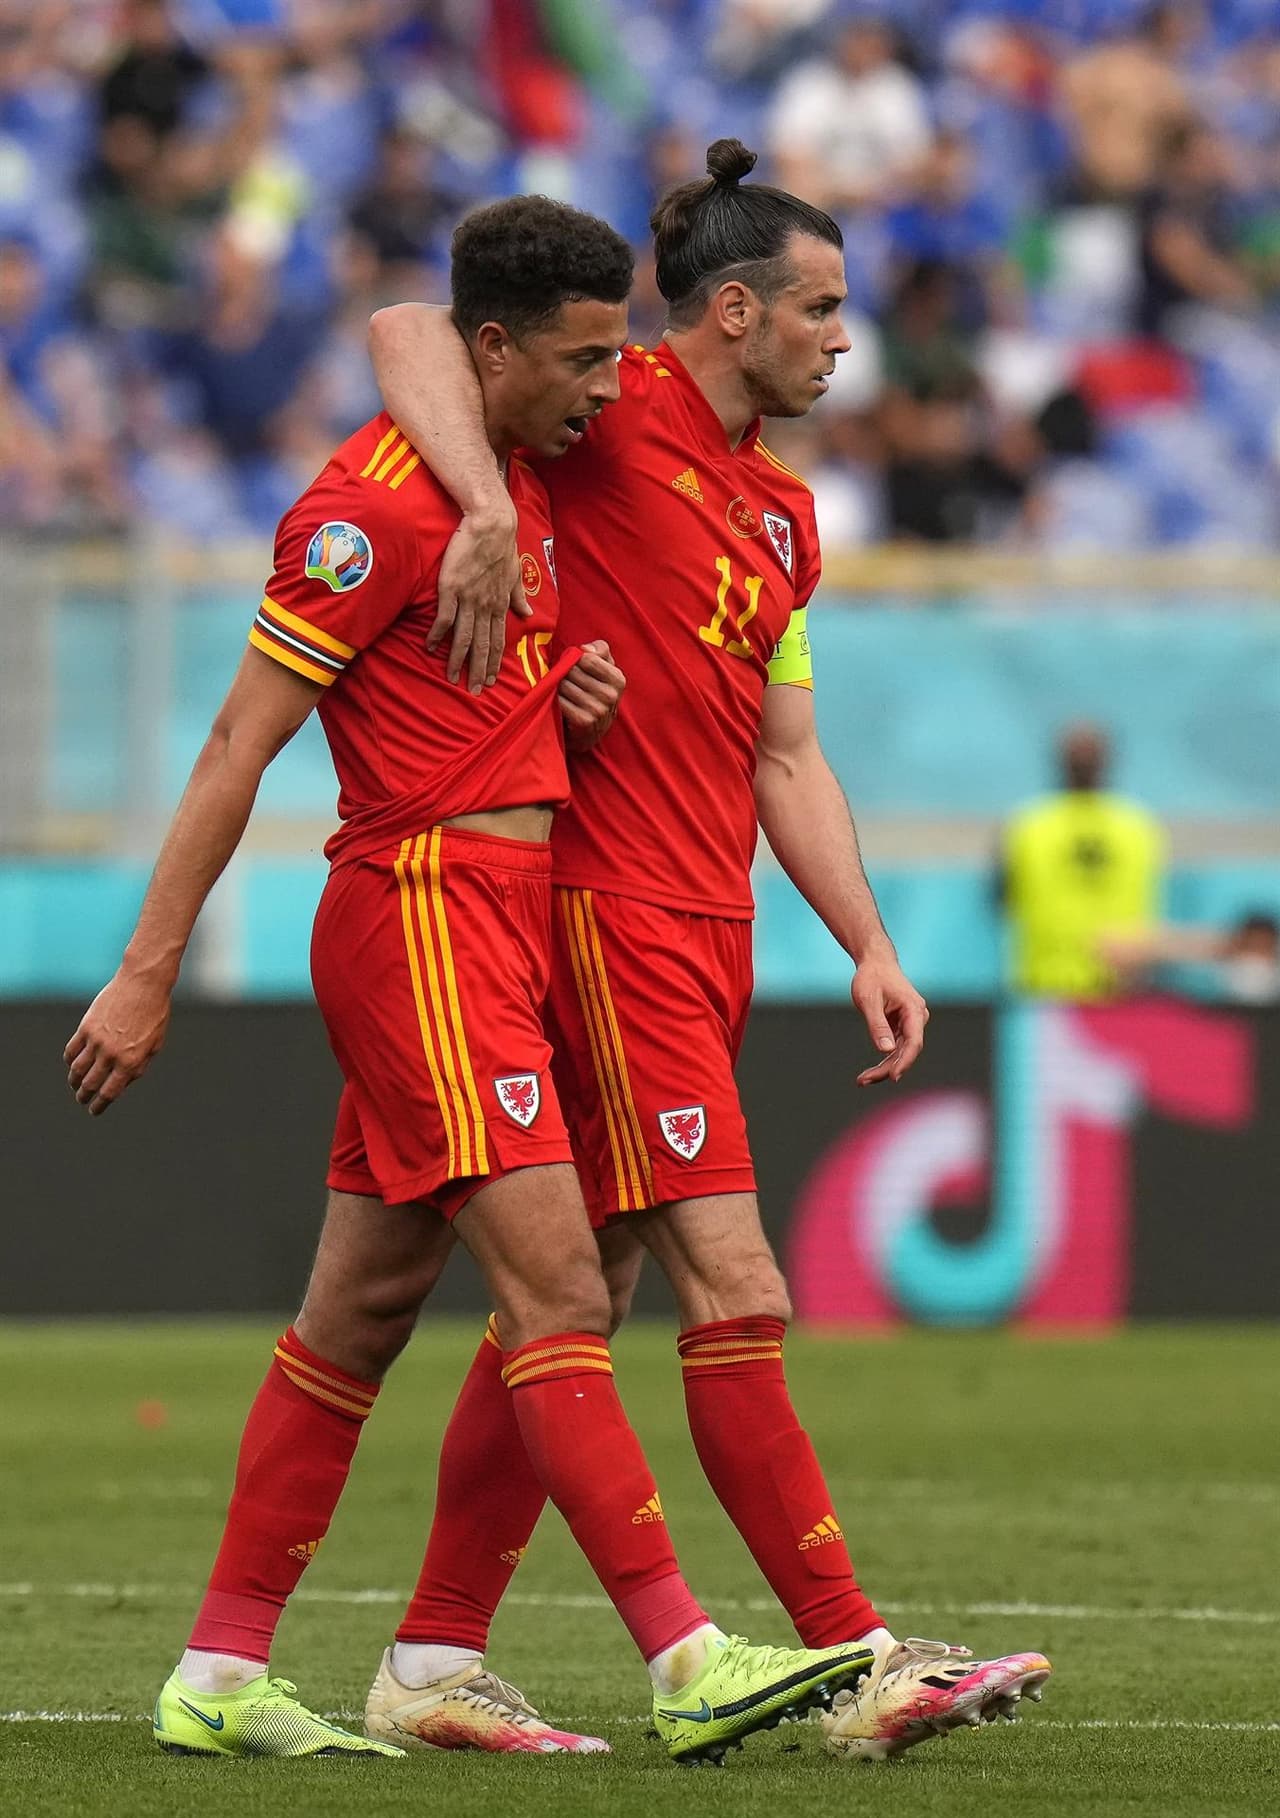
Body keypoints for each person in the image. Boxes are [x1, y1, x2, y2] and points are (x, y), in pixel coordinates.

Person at [64, 192, 877, 1767]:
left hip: (500, 914)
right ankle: (684, 1652)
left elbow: (487, 669)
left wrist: (558, 691)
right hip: (425, 908)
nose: (604, 389)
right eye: (580, 361)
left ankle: (222, 1672)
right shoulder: (376, 510)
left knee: (359, 1313)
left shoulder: (520, 481)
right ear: (492, 349)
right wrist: (147, 968)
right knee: (567, 1289)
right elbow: (240, 739)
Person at [366, 139, 1051, 1764]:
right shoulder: (614, 410)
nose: (843, 338)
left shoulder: (788, 516)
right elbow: (408, 328)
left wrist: (870, 939)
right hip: (606, 918)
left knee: (578, 1286)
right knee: (731, 1282)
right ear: (730, 310)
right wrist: (481, 512)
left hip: (712, 927)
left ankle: (434, 1653)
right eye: (819, 307)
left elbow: (783, 755)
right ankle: (856, 1660)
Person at [1000, 721, 1168, 1000]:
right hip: (1057, 984)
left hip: (1086, 983)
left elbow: (1002, 898)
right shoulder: (1137, 825)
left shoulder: (1029, 824)